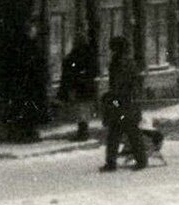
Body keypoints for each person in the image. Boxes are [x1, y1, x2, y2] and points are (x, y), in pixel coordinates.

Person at [100, 33, 150, 171]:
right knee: (121, 133)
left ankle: (116, 162)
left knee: (125, 133)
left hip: (124, 103)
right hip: (124, 103)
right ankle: (136, 161)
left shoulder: (121, 63)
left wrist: (113, 100)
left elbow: (119, 85)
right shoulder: (125, 62)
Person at [60, 31, 100, 140]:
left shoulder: (76, 56)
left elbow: (71, 70)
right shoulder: (90, 54)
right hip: (87, 87)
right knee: (84, 110)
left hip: (79, 87)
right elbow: (94, 71)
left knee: (80, 109)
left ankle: (82, 132)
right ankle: (83, 130)